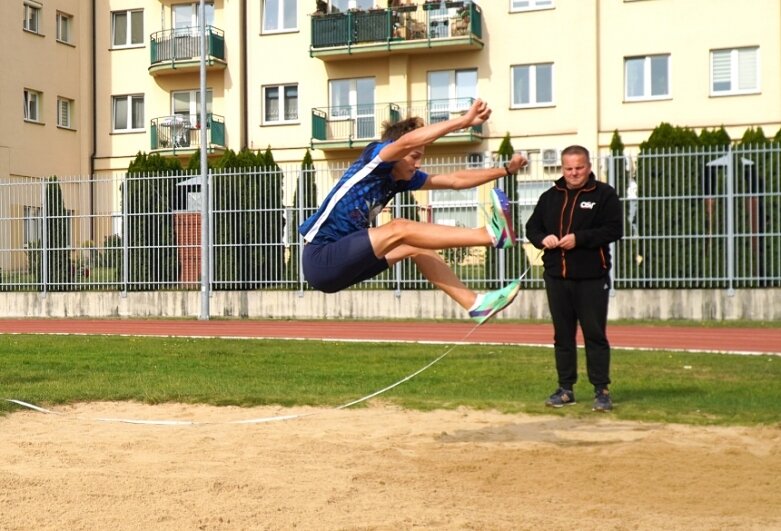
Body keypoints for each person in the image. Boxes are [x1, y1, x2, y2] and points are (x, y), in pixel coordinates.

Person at [299, 99, 528, 324]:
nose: (418, 164)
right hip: (321, 257)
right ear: (398, 152)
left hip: (343, 265)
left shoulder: (399, 179)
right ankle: (488, 235)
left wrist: (506, 170)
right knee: (399, 227)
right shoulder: (374, 158)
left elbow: (454, 180)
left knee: (416, 246)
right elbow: (407, 142)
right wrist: (463, 122)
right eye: (414, 157)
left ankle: (475, 303)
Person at [525, 145, 623, 411]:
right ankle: (565, 388)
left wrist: (580, 239)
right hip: (556, 277)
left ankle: (601, 390)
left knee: (595, 334)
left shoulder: (604, 194)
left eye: (579, 167)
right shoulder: (549, 197)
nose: (574, 173)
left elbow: (614, 229)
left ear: (588, 167)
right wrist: (541, 239)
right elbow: (532, 227)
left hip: (592, 277)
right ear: (562, 168)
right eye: (568, 168)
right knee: (563, 336)